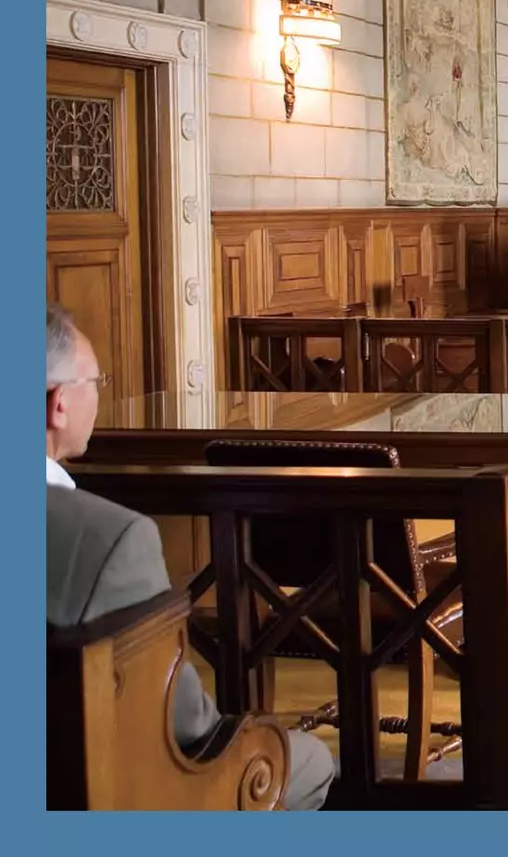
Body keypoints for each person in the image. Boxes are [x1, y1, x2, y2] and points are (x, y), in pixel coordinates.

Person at [45, 306, 336, 811]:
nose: (100, 392)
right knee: (311, 761)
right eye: (96, 381)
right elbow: (190, 731)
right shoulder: (111, 540)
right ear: (59, 404)